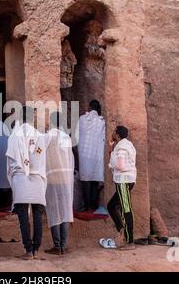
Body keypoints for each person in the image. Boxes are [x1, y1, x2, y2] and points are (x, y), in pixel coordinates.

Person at [6, 106, 51, 260]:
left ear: (19, 117)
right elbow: (42, 157)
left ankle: (28, 250)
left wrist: (15, 172)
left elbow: (11, 160)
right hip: (37, 179)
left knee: (23, 216)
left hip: (20, 179)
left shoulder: (14, 136)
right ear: (33, 118)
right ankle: (36, 249)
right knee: (38, 214)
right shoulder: (40, 136)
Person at [44, 112, 74, 255]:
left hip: (53, 177)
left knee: (54, 210)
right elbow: (71, 158)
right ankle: (64, 244)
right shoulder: (66, 137)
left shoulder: (49, 136)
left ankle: (57, 246)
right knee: (65, 210)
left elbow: (39, 152)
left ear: (51, 122)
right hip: (66, 178)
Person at [107, 126, 137, 250]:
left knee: (126, 209)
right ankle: (121, 229)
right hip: (126, 180)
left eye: (114, 131)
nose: (112, 133)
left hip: (123, 181)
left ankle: (130, 242)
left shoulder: (122, 148)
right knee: (112, 206)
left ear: (117, 134)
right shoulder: (126, 145)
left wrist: (113, 163)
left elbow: (120, 165)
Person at [77, 99, 105, 211]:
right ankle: (93, 205)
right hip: (96, 155)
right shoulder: (101, 121)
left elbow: (76, 134)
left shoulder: (82, 119)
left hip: (84, 154)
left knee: (85, 181)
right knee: (94, 180)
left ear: (89, 107)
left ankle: (87, 206)